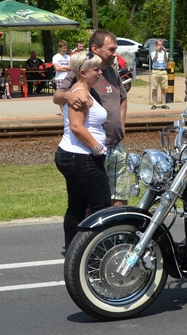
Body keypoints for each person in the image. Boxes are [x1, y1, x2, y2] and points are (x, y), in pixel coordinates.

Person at [54, 30, 131, 206]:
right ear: (95, 48)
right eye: (111, 50)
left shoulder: (112, 71)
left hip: (116, 145)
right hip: (94, 150)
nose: (115, 54)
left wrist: (121, 125)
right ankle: (96, 234)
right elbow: (57, 96)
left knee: (120, 198)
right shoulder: (82, 72)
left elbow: (123, 98)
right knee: (95, 203)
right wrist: (67, 97)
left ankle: (117, 233)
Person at [54, 51, 111, 251]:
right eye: (95, 69)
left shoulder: (81, 90)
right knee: (101, 206)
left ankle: (73, 250)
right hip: (81, 158)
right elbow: (77, 127)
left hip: (73, 156)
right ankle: (93, 251)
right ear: (83, 72)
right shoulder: (80, 94)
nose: (99, 72)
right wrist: (97, 148)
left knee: (77, 206)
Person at [149, 40, 169, 109]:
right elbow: (154, 60)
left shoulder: (165, 53)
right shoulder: (153, 53)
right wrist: (157, 51)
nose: (160, 46)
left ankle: (164, 104)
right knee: (154, 88)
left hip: (163, 71)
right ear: (156, 45)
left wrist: (165, 51)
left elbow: (166, 60)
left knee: (163, 88)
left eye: (161, 45)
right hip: (155, 71)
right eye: (158, 45)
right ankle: (154, 104)